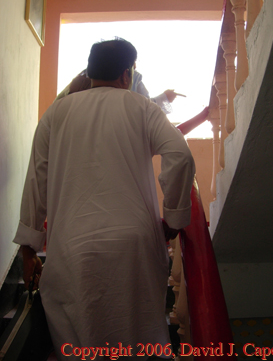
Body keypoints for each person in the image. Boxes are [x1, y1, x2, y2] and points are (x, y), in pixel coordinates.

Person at [13, 39, 195, 360]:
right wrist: (174, 219)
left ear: (91, 71)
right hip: (135, 243)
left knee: (80, 338)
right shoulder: (143, 108)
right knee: (138, 332)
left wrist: (29, 248)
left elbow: (36, 179)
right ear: (127, 75)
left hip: (72, 243)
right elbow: (179, 155)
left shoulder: (56, 113)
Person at [55, 67, 178, 114]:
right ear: (125, 76)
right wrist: (164, 98)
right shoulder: (133, 78)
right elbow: (144, 107)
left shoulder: (56, 111)